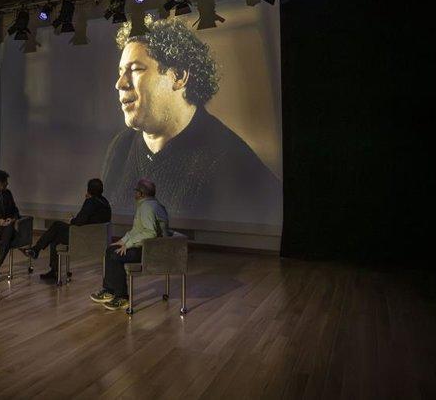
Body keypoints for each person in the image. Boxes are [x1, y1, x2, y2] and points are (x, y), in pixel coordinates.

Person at [102, 17, 282, 225]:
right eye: (121, 72)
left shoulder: (231, 162)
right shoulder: (121, 147)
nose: (120, 83)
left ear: (179, 77)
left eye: (135, 69)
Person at [90, 178, 169, 311]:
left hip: (150, 251)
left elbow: (150, 233)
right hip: (148, 247)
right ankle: (109, 290)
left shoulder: (147, 207)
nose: (135, 194)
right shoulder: (151, 204)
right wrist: (123, 241)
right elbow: (137, 230)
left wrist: (129, 244)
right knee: (111, 250)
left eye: (136, 191)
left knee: (115, 256)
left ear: (141, 194)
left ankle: (122, 297)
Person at [23, 178, 112, 281]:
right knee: (55, 236)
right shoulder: (105, 202)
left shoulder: (91, 202)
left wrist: (72, 220)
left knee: (56, 226)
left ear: (89, 190)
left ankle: (36, 250)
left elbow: (79, 221)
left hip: (83, 238)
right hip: (95, 238)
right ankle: (51, 268)